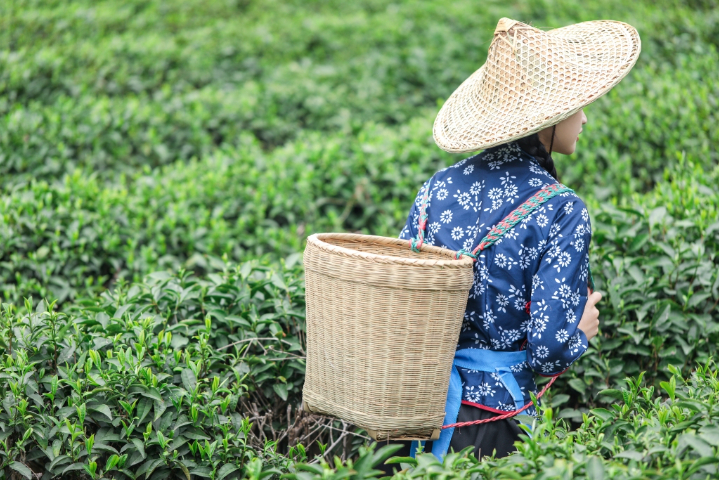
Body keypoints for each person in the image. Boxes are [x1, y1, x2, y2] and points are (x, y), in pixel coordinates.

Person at [377, 17, 641, 468]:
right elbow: (548, 349)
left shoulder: (436, 187)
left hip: (413, 411)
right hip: (492, 424)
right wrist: (581, 330)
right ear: (549, 119)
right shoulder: (561, 209)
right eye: (577, 105)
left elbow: (403, 298)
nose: (584, 116)